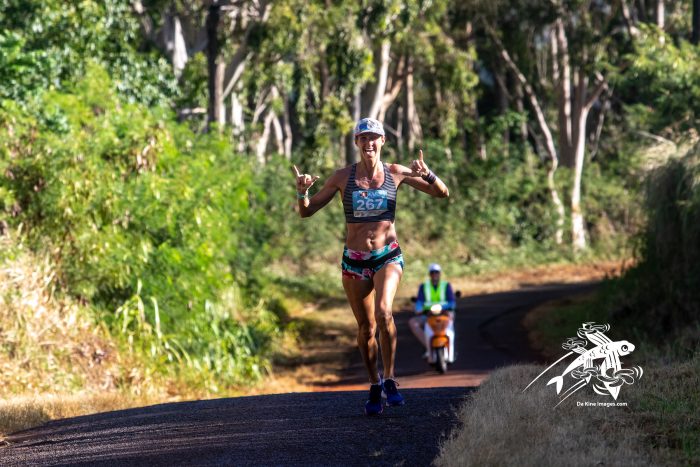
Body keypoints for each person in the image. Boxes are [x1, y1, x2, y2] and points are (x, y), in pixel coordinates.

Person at [293, 117, 449, 415]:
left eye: (374, 137)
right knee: (366, 328)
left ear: (382, 142)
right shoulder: (342, 177)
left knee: (384, 312)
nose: (369, 143)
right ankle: (374, 382)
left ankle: (390, 378)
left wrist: (428, 174)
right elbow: (307, 212)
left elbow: (442, 193)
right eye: (363, 138)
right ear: (357, 143)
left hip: (387, 256)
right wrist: (302, 192)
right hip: (354, 260)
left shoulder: (395, 173)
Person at [408, 263, 457, 362]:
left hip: (444, 313)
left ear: (440, 274)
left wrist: (443, 307)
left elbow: (452, 302)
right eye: (432, 272)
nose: (434, 274)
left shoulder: (446, 285)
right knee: (413, 322)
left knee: (451, 318)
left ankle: (449, 345)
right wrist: (418, 309)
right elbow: (420, 301)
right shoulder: (424, 286)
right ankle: (428, 346)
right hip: (428, 314)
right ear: (429, 274)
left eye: (436, 272)